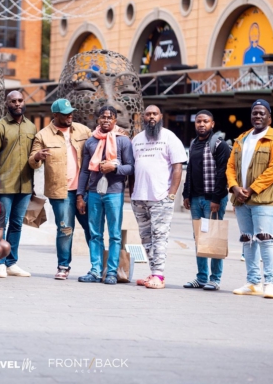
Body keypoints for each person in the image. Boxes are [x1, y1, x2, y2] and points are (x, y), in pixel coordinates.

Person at [29, 99, 92, 280]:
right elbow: (32, 161)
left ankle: (99, 266)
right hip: (60, 192)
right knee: (65, 229)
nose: (70, 116)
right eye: (65, 114)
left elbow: (100, 139)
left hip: (84, 190)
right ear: (55, 115)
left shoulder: (83, 130)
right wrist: (37, 157)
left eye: (71, 112)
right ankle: (63, 266)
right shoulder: (43, 135)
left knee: (92, 228)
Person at [228, 100, 273, 299]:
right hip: (241, 199)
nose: (257, 116)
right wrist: (234, 187)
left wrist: (251, 189)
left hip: (264, 199)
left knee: (265, 239)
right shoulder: (241, 139)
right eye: (254, 113)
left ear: (269, 118)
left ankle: (271, 283)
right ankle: (253, 282)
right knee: (248, 240)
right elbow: (230, 167)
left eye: (262, 113)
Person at [76, 106, 134, 284]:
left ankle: (111, 272)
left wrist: (114, 168)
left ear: (115, 120)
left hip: (114, 193)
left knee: (115, 235)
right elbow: (85, 171)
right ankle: (95, 271)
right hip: (94, 193)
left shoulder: (123, 141)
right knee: (95, 234)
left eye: (110, 117)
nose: (106, 120)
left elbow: (131, 167)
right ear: (98, 120)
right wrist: (80, 195)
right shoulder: (91, 142)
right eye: (103, 117)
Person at [131, 105, 187, 289]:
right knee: (146, 238)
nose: (151, 117)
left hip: (161, 197)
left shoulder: (170, 137)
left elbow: (177, 167)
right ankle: (153, 272)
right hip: (139, 198)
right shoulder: (137, 139)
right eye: (148, 114)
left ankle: (159, 274)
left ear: (160, 116)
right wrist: (133, 193)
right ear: (143, 117)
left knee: (159, 236)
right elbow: (132, 168)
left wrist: (171, 194)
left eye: (154, 114)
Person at [0, 91, 36, 278]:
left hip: (25, 185)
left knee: (17, 224)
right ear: (7, 104)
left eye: (20, 100)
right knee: (1, 224)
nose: (17, 104)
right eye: (13, 101)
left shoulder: (32, 127)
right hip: (4, 185)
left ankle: (11, 263)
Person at [182, 110, 231, 291]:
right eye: (198, 121)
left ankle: (215, 279)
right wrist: (186, 194)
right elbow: (190, 170)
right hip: (196, 198)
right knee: (199, 238)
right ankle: (201, 277)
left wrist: (216, 198)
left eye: (205, 121)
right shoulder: (194, 143)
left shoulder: (220, 145)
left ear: (212, 124)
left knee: (214, 237)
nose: (201, 124)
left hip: (213, 199)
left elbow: (223, 173)